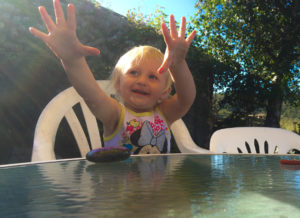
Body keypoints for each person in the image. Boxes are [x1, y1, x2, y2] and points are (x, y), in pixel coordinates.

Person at [29, 0, 196, 154]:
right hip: (118, 188)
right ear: (118, 83)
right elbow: (91, 93)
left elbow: (186, 98)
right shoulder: (115, 114)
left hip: (158, 188)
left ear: (164, 92)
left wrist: (178, 63)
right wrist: (72, 60)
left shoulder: (164, 115)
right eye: (133, 72)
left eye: (152, 77)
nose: (142, 81)